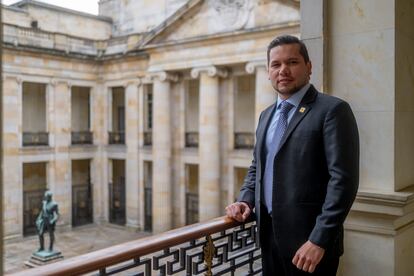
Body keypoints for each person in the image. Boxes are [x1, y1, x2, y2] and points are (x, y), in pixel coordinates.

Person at [225, 35, 359, 275]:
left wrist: (319, 240)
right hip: (268, 239)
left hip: (309, 246)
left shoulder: (333, 110)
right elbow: (258, 166)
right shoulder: (266, 115)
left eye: (292, 62)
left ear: (309, 67)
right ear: (268, 71)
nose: (283, 70)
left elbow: (343, 182)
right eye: (276, 64)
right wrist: (245, 198)